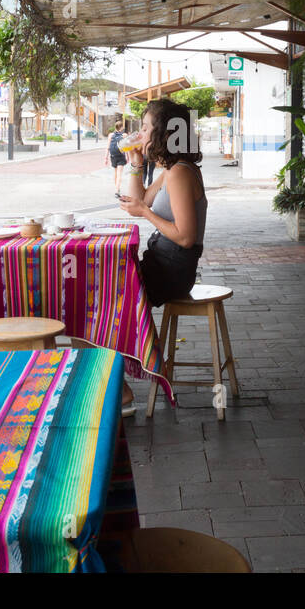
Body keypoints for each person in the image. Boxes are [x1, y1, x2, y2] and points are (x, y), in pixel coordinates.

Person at [117, 98, 207, 414]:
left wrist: (144, 212)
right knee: (106, 290)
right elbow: (136, 199)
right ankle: (129, 374)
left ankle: (122, 388)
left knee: (105, 298)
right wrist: (136, 162)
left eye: (144, 127)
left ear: (164, 132)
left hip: (173, 270)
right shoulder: (169, 168)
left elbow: (185, 236)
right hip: (162, 262)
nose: (139, 132)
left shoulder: (180, 172)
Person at [105, 120, 128, 194]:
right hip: (121, 156)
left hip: (113, 156)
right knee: (119, 174)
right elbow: (126, 147)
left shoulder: (110, 135)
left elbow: (108, 147)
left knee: (115, 173)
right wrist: (127, 156)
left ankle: (117, 188)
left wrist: (106, 158)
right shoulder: (124, 135)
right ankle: (117, 190)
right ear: (121, 127)